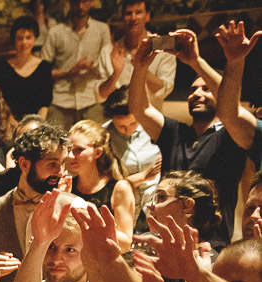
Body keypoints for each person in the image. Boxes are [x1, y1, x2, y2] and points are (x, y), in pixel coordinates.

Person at [130, 26, 258, 234]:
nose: (196, 94)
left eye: (205, 88)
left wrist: (195, 62)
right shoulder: (175, 132)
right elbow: (140, 109)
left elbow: (231, 106)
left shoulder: (230, 135)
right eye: (192, 89)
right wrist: (140, 66)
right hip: (166, 234)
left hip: (211, 240)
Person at [0, 123, 69, 269]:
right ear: (24, 164)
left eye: (63, 163)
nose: (60, 172)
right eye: (52, 164)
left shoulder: (73, 208)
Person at [43, 0, 113, 129]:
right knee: (53, 145)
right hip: (60, 101)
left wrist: (92, 67)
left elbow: (107, 67)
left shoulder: (102, 30)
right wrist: (70, 71)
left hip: (90, 99)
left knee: (95, 143)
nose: (80, 6)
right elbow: (43, 72)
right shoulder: (56, 32)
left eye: (84, 1)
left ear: (91, 2)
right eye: (76, 2)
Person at [68, 120, 136, 247]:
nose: (71, 156)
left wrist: (96, 223)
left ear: (97, 152)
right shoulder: (68, 186)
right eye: (69, 149)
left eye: (79, 150)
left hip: (105, 262)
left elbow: (126, 243)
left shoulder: (119, 188)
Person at [100, 0, 176, 106]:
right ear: (122, 17)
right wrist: (115, 74)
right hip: (117, 119)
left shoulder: (163, 47)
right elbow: (101, 95)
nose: (133, 18)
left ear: (147, 16)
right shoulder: (108, 51)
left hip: (150, 119)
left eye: (138, 12)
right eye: (128, 13)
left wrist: (141, 68)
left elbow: (164, 90)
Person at [0, 16, 54, 120]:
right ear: (14, 40)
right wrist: (13, 124)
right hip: (8, 123)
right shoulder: (2, 68)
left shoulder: (44, 67)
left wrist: (37, 126)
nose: (24, 42)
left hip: (36, 124)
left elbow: (45, 103)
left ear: (35, 38)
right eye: (20, 38)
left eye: (28, 38)